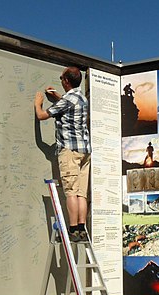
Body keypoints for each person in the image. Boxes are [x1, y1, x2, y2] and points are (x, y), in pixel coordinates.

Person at [34, 67, 90, 242]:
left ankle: (72, 229)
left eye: (61, 78)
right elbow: (68, 105)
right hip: (85, 151)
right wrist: (57, 96)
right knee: (81, 193)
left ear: (66, 81)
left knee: (71, 192)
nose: (60, 80)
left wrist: (38, 102)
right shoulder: (82, 98)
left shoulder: (67, 100)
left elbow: (42, 115)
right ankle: (81, 229)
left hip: (69, 151)